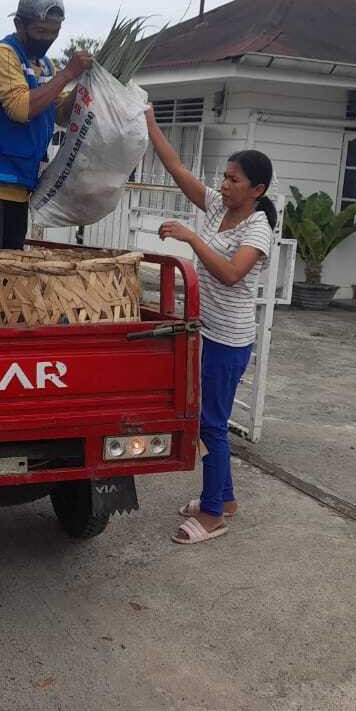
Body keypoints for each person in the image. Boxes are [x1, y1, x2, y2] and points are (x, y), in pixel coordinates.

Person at [143, 107, 276, 545]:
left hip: (228, 340)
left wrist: (191, 238)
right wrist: (148, 121)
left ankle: (214, 514)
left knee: (211, 424)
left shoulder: (258, 229)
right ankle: (227, 499)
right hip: (204, 332)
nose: (223, 184)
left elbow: (231, 274)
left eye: (234, 179)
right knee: (207, 420)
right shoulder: (219, 205)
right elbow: (176, 165)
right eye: (224, 176)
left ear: (257, 189)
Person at [0, 0, 93, 319]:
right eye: (41, 31)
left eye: (54, 33)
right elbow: (20, 108)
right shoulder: (3, 55)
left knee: (13, 257)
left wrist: (83, 88)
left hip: (20, 178)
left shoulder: (43, 64)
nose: (47, 38)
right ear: (20, 25)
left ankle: (0, 317)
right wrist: (67, 74)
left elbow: (57, 113)